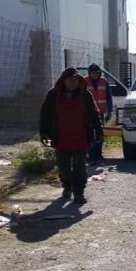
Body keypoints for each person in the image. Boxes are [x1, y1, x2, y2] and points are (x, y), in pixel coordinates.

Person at [40, 67, 103, 205]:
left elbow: (93, 114)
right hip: (61, 138)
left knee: (79, 166)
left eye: (75, 80)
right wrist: (43, 132)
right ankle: (67, 187)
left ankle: (79, 193)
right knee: (63, 167)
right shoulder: (53, 95)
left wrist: (99, 131)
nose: (72, 83)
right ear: (63, 81)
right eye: (69, 80)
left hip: (80, 138)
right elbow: (44, 115)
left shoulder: (85, 95)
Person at [85, 63, 113, 165]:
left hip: (100, 113)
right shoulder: (84, 81)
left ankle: (98, 155)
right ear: (89, 73)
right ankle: (91, 156)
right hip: (88, 113)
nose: (95, 75)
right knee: (89, 135)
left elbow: (109, 97)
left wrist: (109, 111)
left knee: (100, 134)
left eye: (96, 73)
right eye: (93, 73)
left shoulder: (104, 81)